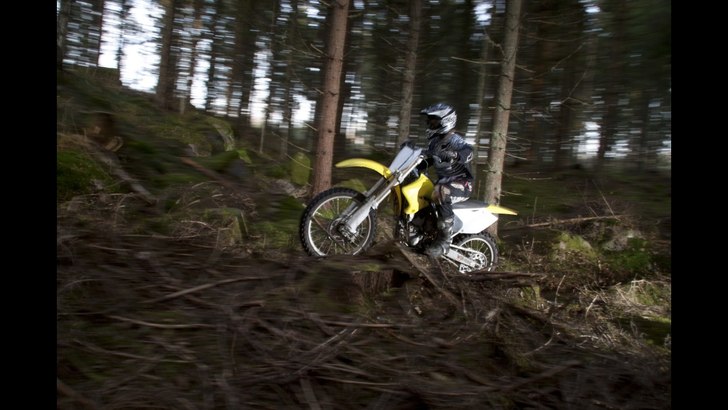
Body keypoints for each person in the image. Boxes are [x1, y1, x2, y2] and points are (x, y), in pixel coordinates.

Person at [417, 103, 475, 257]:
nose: (430, 123)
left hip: (463, 184)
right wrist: (415, 167)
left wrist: (456, 155)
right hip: (444, 182)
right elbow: (431, 159)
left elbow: (469, 151)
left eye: (433, 120)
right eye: (429, 120)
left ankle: (445, 242)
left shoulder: (454, 139)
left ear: (445, 121)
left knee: (441, 192)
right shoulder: (435, 141)